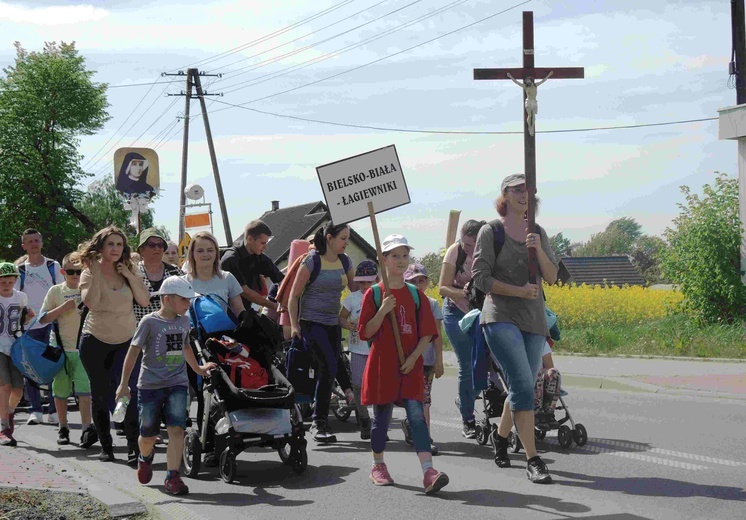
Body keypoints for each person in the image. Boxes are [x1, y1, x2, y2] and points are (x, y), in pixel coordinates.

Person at [471, 173, 558, 484]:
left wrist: (540, 251)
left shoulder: (538, 231)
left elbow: (551, 276)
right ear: (504, 195)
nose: (524, 194)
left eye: (528, 189)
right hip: (500, 315)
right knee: (523, 387)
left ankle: (501, 434)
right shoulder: (490, 231)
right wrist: (518, 291)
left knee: (520, 386)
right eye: (517, 189)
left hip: (533, 319)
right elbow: (481, 277)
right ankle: (533, 459)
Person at [358, 234, 448, 495]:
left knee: (417, 416)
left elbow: (427, 334)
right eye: (394, 255)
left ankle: (429, 471)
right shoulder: (374, 294)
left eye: (404, 255)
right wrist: (383, 310)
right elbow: (365, 332)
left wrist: (412, 358)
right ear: (383, 260)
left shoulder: (414, 295)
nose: (400, 260)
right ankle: (378, 464)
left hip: (410, 366)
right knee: (382, 419)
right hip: (383, 365)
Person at [116, 276, 216, 495]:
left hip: (177, 384)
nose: (188, 304)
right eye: (184, 300)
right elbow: (133, 352)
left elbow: (186, 346)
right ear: (168, 299)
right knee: (148, 436)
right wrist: (124, 384)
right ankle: (145, 457)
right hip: (150, 385)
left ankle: (173, 477)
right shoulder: (149, 322)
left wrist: (198, 369)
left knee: (176, 430)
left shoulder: (184, 320)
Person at [78, 226, 151, 463]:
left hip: (126, 342)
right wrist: (97, 270)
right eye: (111, 244)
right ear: (100, 247)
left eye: (119, 244)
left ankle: (133, 447)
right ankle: (106, 447)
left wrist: (129, 275)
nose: (116, 249)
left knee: (126, 392)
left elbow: (144, 299)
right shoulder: (89, 272)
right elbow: (92, 303)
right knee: (100, 394)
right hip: (95, 341)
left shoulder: (129, 269)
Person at [287, 222, 356, 443]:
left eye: (348, 238)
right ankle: (319, 422)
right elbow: (294, 296)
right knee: (328, 365)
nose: (347, 242)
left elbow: (357, 289)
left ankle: (340, 400)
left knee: (334, 365)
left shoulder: (345, 262)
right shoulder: (312, 261)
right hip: (311, 322)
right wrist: (295, 326)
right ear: (329, 237)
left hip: (332, 323)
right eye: (343, 238)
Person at [38, 252, 95, 447]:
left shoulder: (88, 289)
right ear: (63, 271)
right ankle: (63, 426)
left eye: (78, 271)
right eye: (70, 271)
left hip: (83, 349)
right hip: (59, 349)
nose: (75, 275)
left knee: (84, 391)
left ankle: (87, 428)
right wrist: (63, 308)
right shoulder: (55, 291)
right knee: (60, 391)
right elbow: (42, 318)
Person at [438, 219, 484, 439]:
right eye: (464, 243)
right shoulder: (455, 252)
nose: (467, 248)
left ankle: (465, 398)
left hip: (480, 312)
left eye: (471, 244)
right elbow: (442, 288)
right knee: (467, 364)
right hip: (455, 311)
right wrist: (465, 293)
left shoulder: (489, 250)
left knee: (487, 364)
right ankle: (468, 420)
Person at [14, 228, 63, 426]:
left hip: (51, 325)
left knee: (52, 366)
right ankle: (36, 410)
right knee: (30, 368)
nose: (34, 244)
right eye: (29, 241)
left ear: (42, 243)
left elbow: (62, 292)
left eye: (37, 240)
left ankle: (53, 410)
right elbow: (16, 297)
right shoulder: (21, 271)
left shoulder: (53, 265)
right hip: (29, 327)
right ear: (24, 246)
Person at [402, 264, 444, 456]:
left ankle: (424, 436)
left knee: (424, 399)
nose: (418, 285)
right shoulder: (402, 303)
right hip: (408, 359)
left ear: (427, 282)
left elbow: (437, 334)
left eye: (421, 280)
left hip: (426, 360)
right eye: (413, 281)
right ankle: (414, 426)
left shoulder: (432, 303)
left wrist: (439, 360)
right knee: (413, 399)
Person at [339, 259, 378, 440]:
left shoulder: (380, 296)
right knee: (357, 384)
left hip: (377, 349)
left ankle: (379, 423)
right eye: (361, 282)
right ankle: (363, 419)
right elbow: (341, 318)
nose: (364, 285)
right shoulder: (352, 298)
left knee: (377, 386)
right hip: (357, 348)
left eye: (368, 282)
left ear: (375, 280)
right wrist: (349, 326)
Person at [0, 262, 35, 447]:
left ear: (15, 280)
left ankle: (9, 412)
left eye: (10, 281)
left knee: (17, 390)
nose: (6, 285)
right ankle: (4, 428)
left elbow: (25, 318)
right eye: (2, 281)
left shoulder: (20, 297)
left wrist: (28, 316)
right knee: (4, 386)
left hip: (15, 346)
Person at [220, 220, 284, 313]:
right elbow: (244, 291)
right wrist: (274, 306)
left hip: (246, 311)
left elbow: (280, 279)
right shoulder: (230, 259)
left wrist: (285, 300)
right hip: (226, 313)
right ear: (250, 239)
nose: (266, 247)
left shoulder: (260, 258)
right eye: (262, 243)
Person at [183, 232, 245, 317]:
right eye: (200, 251)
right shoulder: (183, 283)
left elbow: (239, 312)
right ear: (192, 253)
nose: (205, 254)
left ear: (216, 252)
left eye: (210, 250)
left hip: (224, 329)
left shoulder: (227, 278)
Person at [506, 71, 553, 136]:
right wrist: (511, 77)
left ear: (531, 81)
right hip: (528, 101)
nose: (528, 81)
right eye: (527, 81)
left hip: (534, 101)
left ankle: (532, 127)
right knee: (530, 115)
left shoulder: (535, 85)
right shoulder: (525, 86)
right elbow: (517, 82)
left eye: (528, 80)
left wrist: (549, 75)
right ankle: (529, 127)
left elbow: (543, 81)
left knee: (533, 115)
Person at [534, 340, 561, 428]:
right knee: (536, 372)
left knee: (553, 373)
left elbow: (549, 366)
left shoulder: (540, 340)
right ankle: (537, 413)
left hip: (539, 379)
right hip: (522, 378)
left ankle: (548, 412)